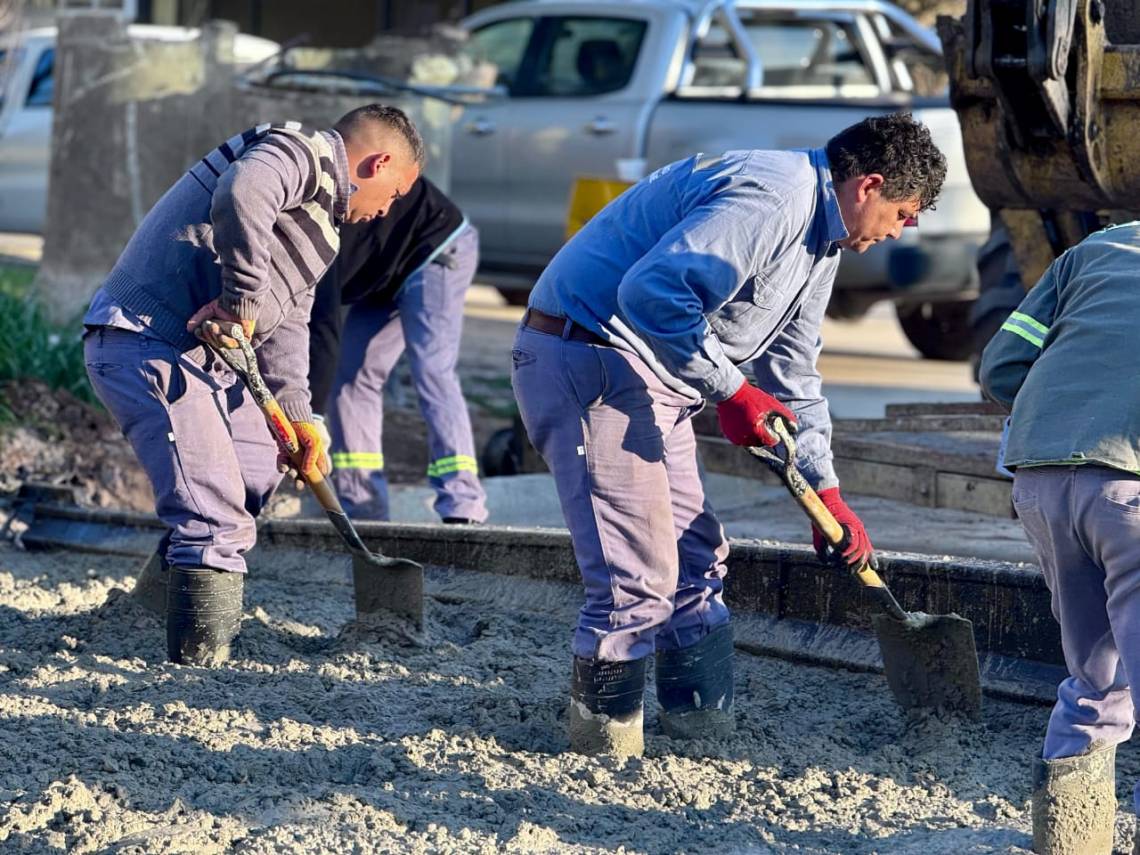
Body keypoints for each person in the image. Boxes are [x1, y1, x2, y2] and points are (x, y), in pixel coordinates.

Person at [511, 113, 946, 756]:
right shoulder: (775, 198)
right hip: (591, 360)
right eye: (906, 211)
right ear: (869, 185)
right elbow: (653, 293)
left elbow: (792, 370)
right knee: (638, 576)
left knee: (696, 561)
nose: (904, 229)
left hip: (652, 375)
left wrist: (826, 489)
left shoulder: (823, 234)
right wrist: (735, 392)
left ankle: (699, 734)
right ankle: (602, 751)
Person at [82, 105, 423, 666]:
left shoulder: (322, 232)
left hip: (202, 361)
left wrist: (299, 417)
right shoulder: (299, 149)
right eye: (395, 192)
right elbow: (245, 187)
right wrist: (242, 300)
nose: (386, 210)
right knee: (215, 517)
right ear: (378, 162)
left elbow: (288, 326)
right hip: (146, 341)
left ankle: (149, 610)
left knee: (254, 473)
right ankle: (197, 667)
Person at [979, 222, 1140, 855]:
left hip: (1042, 479)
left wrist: (1071, 413)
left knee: (1096, 677)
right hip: (1130, 485)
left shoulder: (1095, 249)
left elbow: (1001, 366)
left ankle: (1070, 839)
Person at [308, 176, 487, 525]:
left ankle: (462, 505)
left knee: (432, 368)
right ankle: (363, 508)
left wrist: (311, 415)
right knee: (351, 376)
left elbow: (322, 329)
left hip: (435, 246)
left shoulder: (315, 240)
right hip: (383, 269)